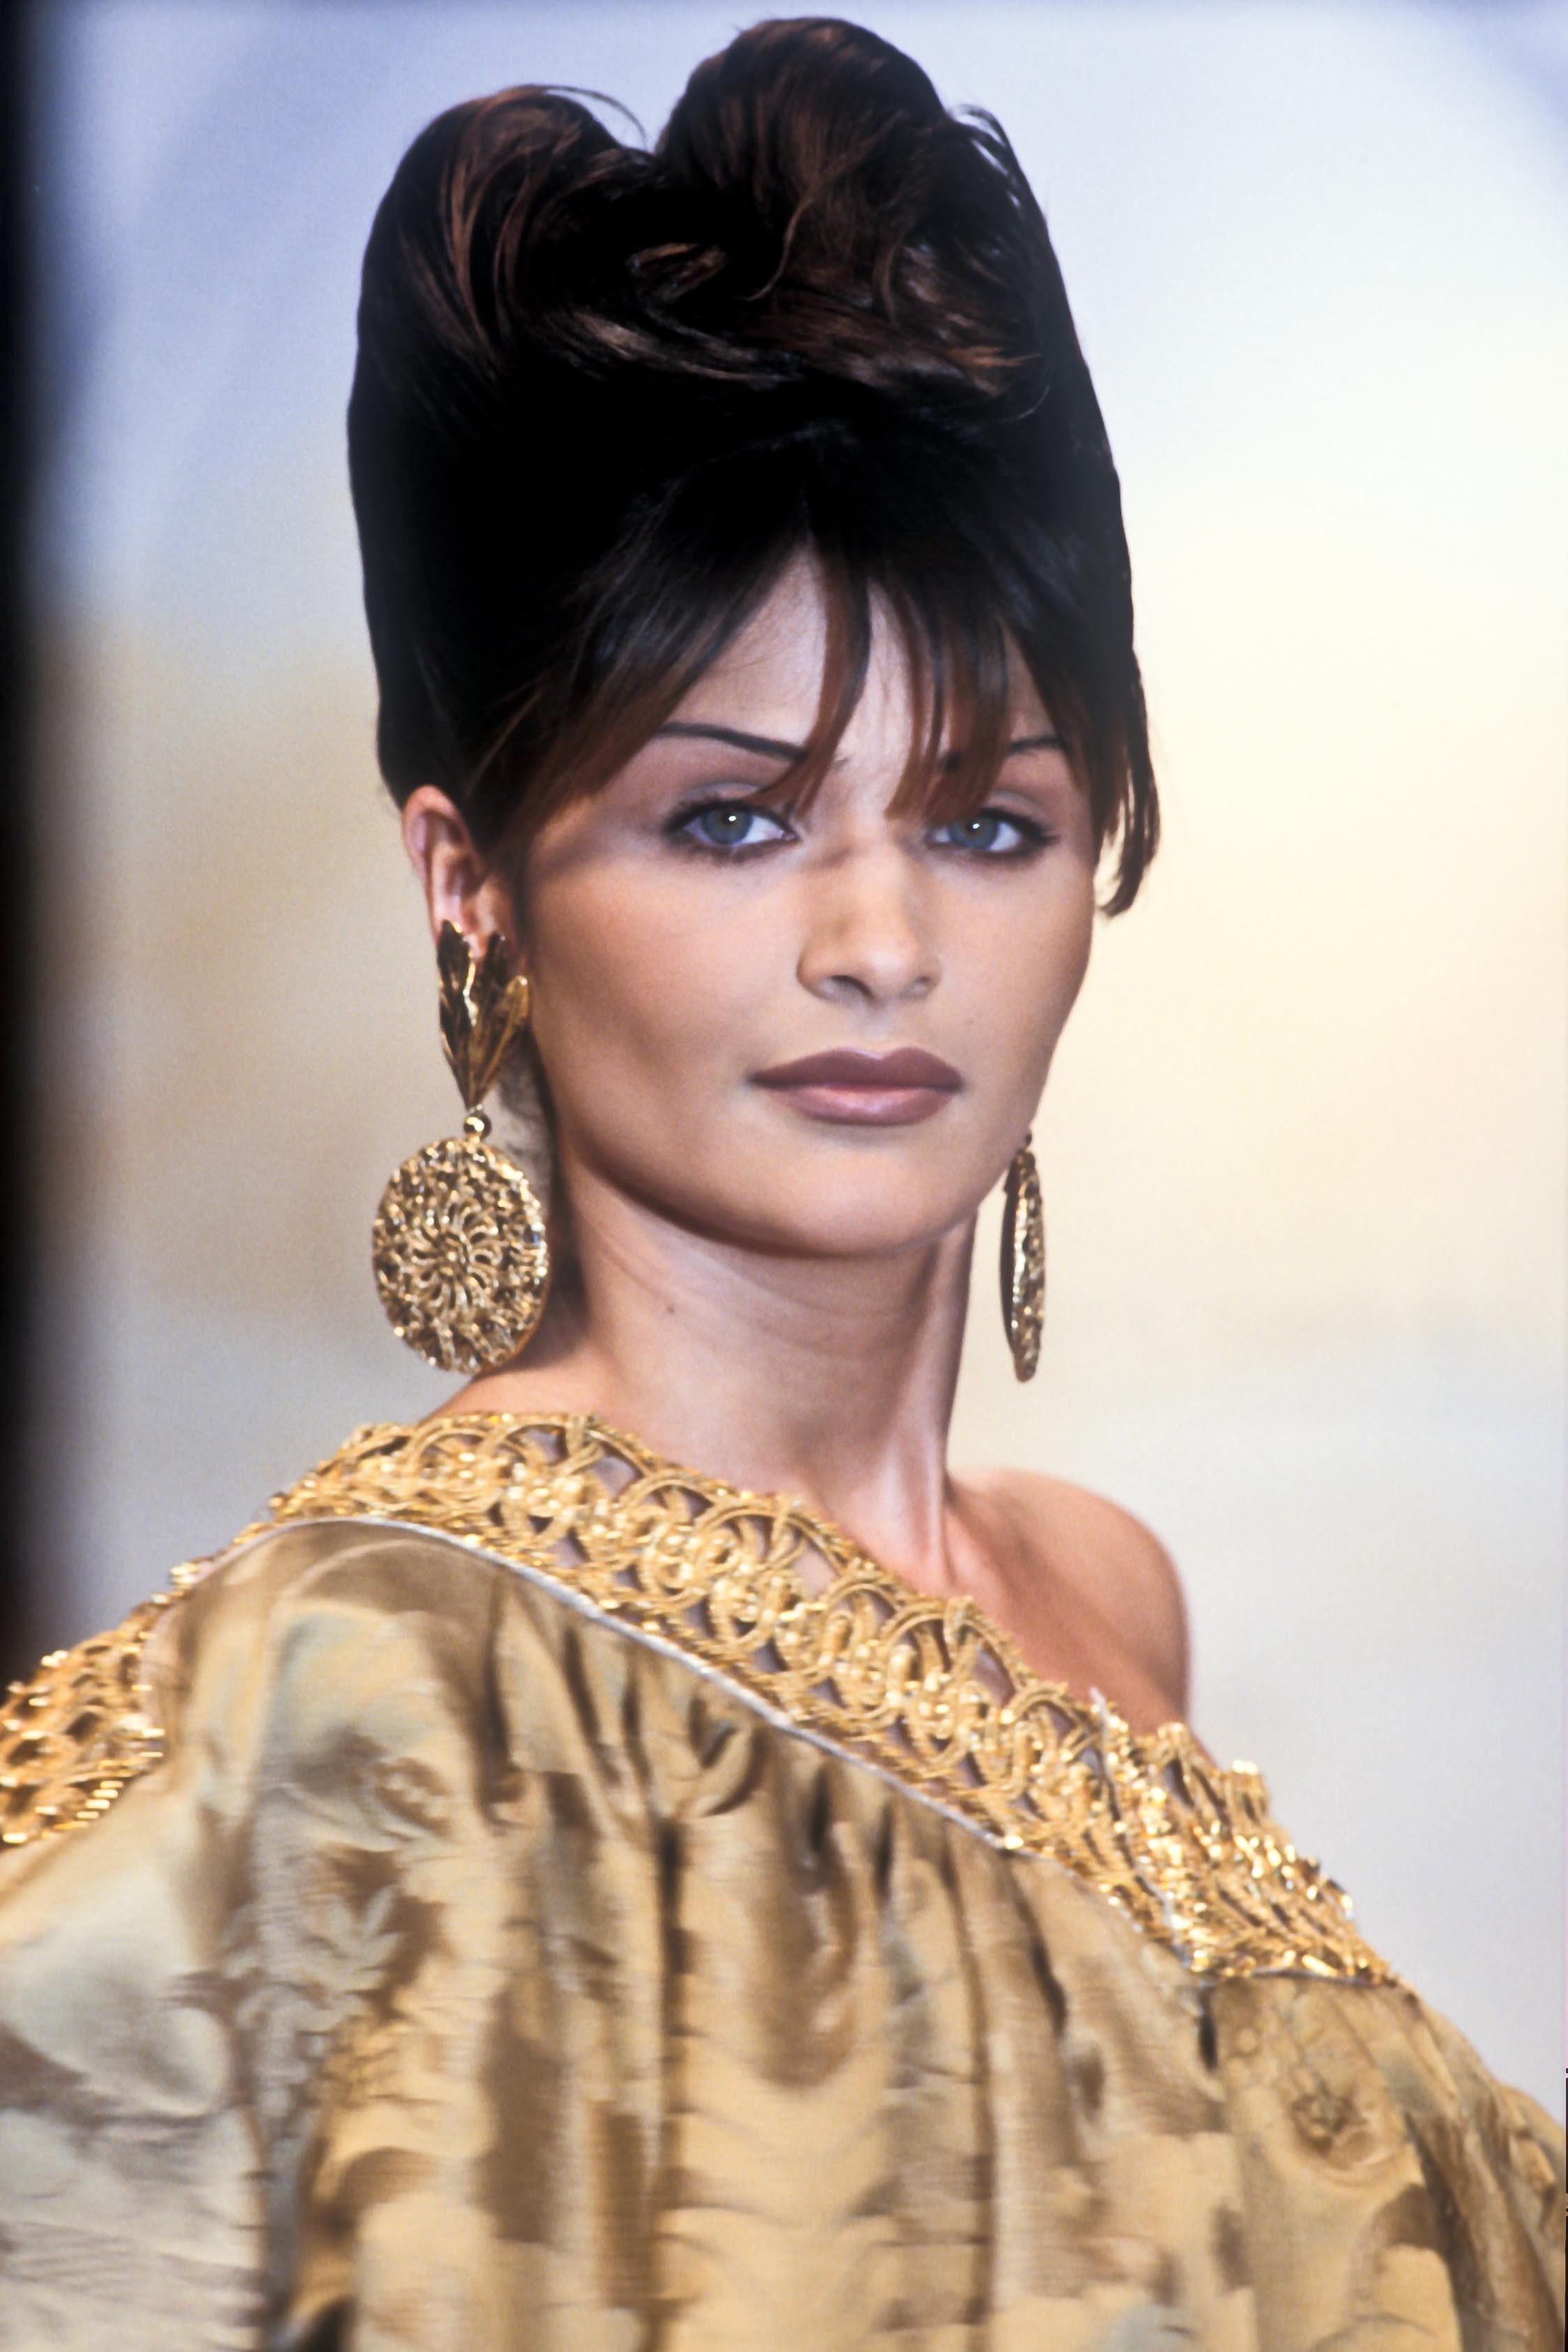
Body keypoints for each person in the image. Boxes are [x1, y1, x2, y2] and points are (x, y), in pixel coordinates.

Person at [0, 19, 1559, 2349]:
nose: (881, 939)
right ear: (469, 881)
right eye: (731, 816)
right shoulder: (376, 1674)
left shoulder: (1111, 1599)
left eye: (989, 818)